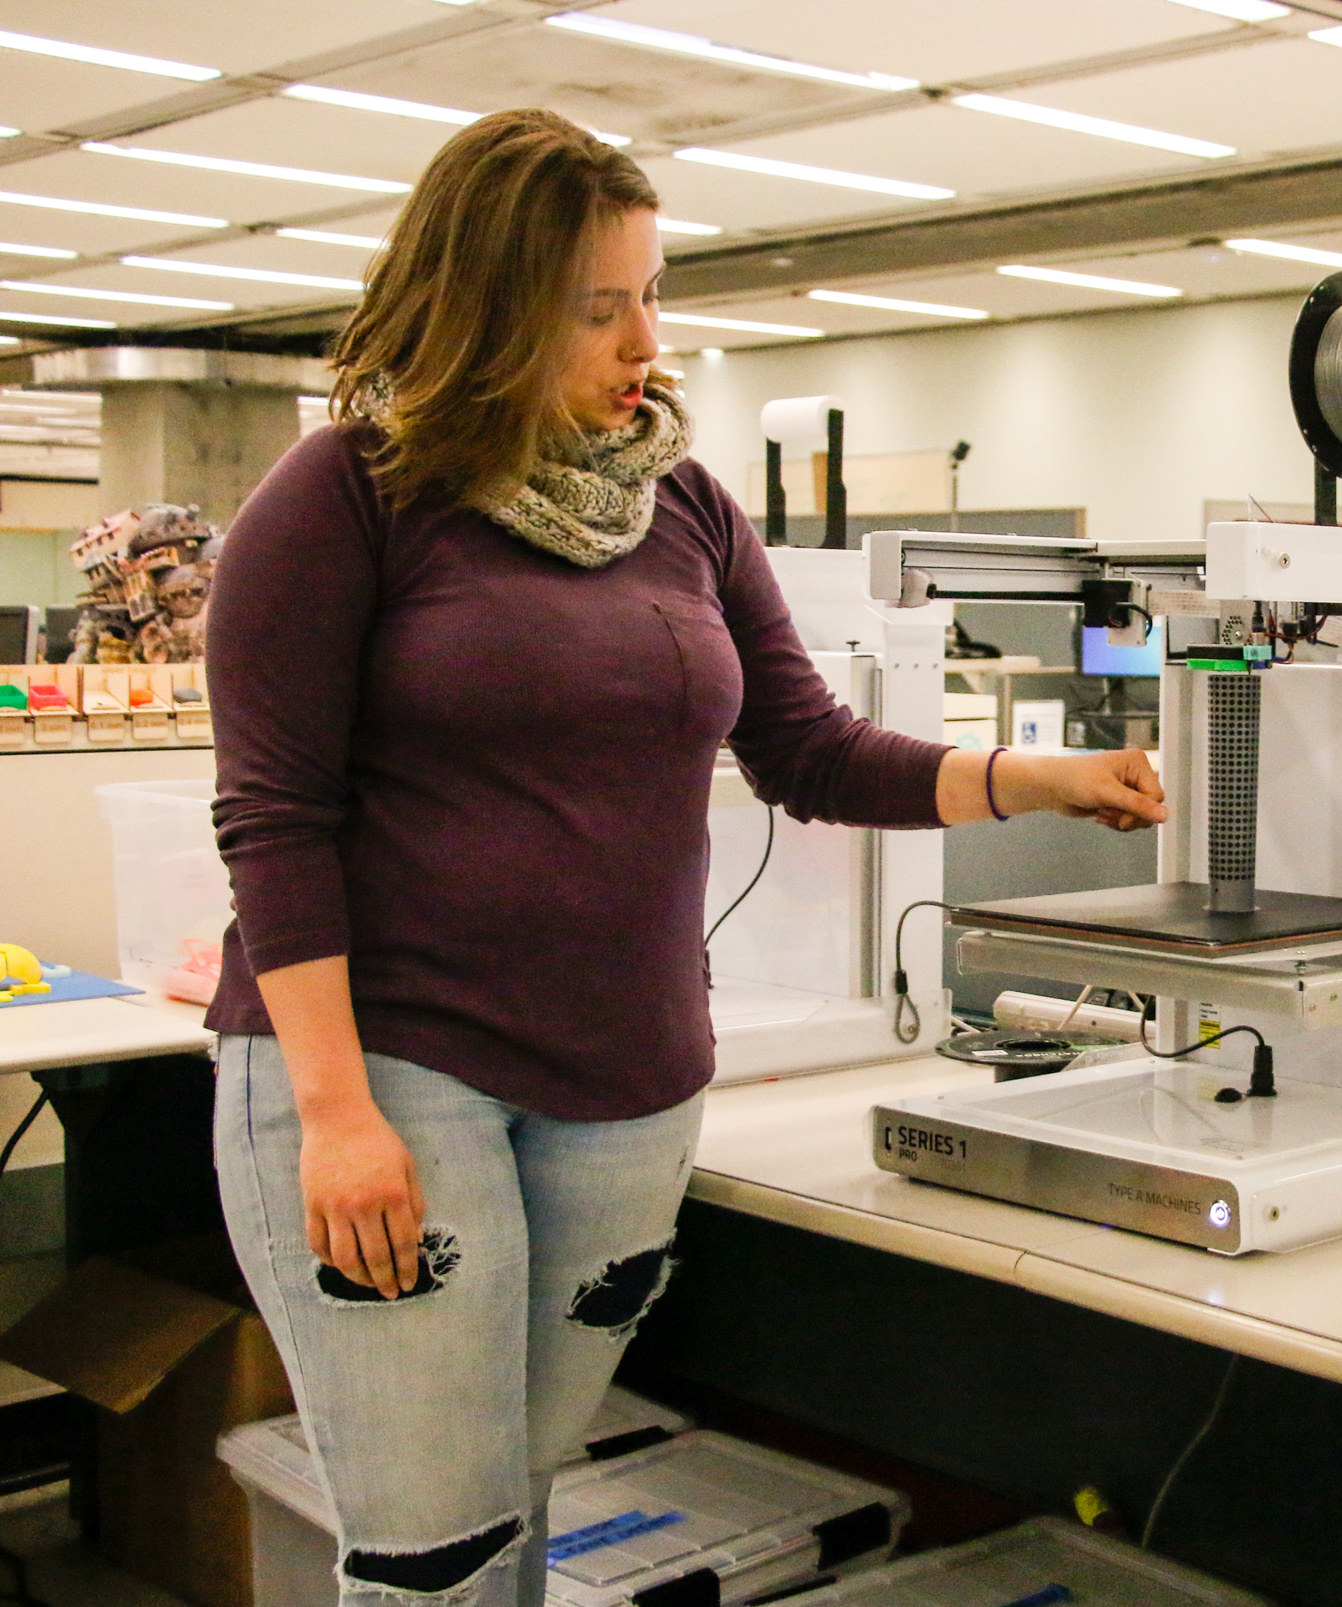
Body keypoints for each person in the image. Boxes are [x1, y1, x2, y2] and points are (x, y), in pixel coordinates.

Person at [205, 109, 1165, 1607]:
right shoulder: (347, 499)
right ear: (488, 306)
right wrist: (331, 1113)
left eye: (653, 291)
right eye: (599, 306)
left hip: (626, 1087)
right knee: (431, 1553)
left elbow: (812, 751)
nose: (646, 337)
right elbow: (275, 818)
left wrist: (1037, 778)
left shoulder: (687, 511)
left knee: (507, 1513)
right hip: (393, 1070)